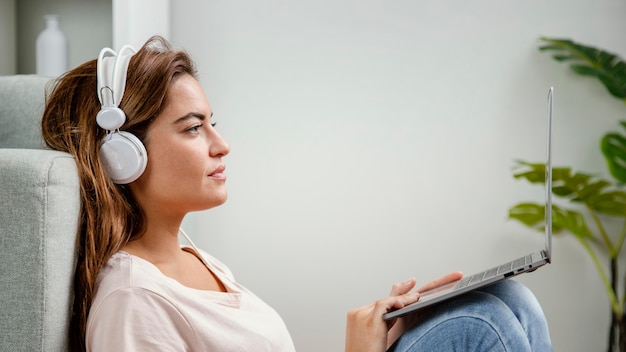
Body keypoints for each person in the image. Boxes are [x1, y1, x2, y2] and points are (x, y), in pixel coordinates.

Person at [41, 36, 553, 352]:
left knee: (511, 298)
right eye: (194, 128)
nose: (222, 145)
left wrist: (380, 330)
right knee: (484, 325)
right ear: (123, 157)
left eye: (212, 124)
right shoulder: (134, 303)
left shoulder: (191, 257)